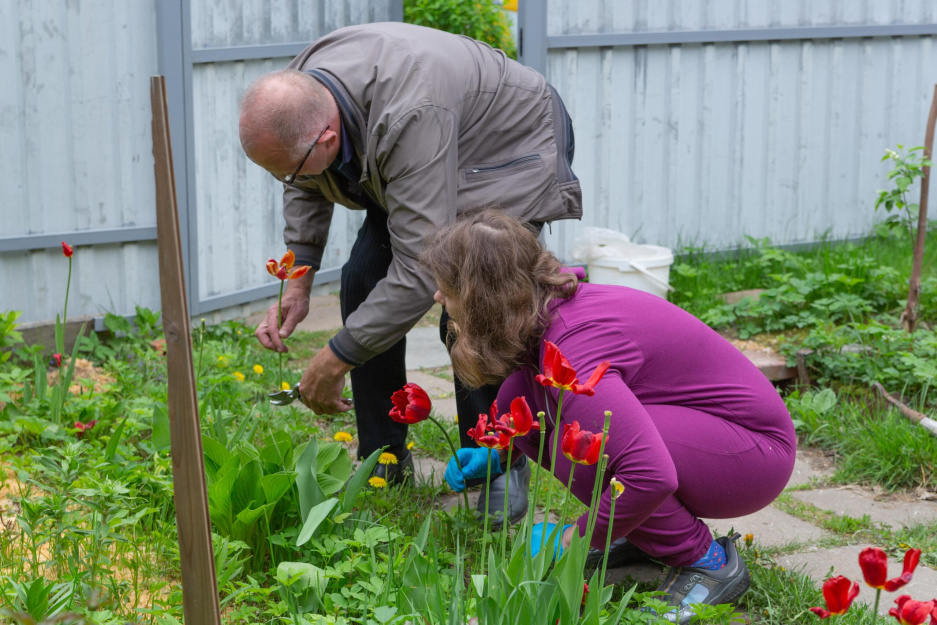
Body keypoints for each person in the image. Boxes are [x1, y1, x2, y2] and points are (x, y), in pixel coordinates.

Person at [238, 22, 582, 522]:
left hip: (507, 147)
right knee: (364, 282)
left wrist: (336, 358)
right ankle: (383, 457)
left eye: (288, 170)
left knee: (473, 305)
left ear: (328, 136)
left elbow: (421, 273)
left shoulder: (408, 113)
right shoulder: (299, 95)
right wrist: (300, 272)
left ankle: (496, 463)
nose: (287, 182)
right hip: (425, 147)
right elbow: (303, 180)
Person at [425, 211, 796, 624]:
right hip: (714, 433)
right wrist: (502, 452)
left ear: (483, 295)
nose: (439, 297)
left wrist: (576, 537)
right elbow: (526, 409)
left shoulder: (573, 345)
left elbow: (650, 474)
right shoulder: (545, 310)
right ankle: (651, 535)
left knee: (587, 452)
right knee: (523, 403)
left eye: (448, 286)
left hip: (753, 454)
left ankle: (706, 561)